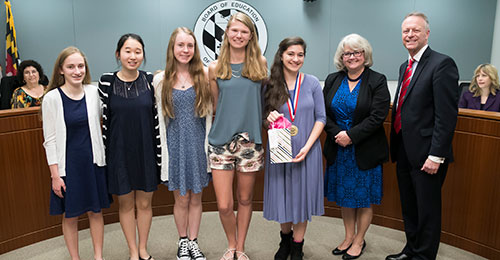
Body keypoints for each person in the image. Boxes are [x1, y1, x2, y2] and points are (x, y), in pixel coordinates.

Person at [387, 12, 459, 260]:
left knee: (427, 210)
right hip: (405, 149)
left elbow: (446, 116)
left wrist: (436, 155)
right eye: (406, 31)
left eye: (415, 30)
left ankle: (424, 256)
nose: (410, 35)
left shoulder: (442, 64)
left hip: (428, 154)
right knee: (410, 206)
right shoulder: (404, 66)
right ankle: (411, 250)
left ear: (427, 33)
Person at [323, 34, 390, 260]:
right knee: (345, 196)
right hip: (339, 149)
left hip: (364, 149)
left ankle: (360, 239)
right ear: (342, 57)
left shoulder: (377, 80)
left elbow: (378, 115)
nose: (352, 57)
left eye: (356, 52)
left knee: (363, 198)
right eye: (347, 53)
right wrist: (337, 134)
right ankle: (348, 235)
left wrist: (351, 135)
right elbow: (323, 114)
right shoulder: (333, 79)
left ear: (365, 55)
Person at [207, 12, 267, 260]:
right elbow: (215, 104)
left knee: (244, 199)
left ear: (251, 35)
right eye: (234, 30)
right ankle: (230, 243)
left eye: (244, 31)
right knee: (223, 205)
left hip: (250, 144)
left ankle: (240, 247)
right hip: (221, 144)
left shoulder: (260, 64)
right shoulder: (214, 67)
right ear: (226, 33)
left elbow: (263, 101)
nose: (238, 35)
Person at [42, 47, 111, 260]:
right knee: (70, 215)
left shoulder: (93, 92)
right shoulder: (52, 98)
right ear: (61, 70)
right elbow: (50, 141)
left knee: (96, 211)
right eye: (71, 67)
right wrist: (55, 175)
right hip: (68, 168)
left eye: (81, 66)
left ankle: (98, 256)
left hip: (93, 163)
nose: (77, 71)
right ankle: (75, 258)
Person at [98, 33, 160, 260]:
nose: (133, 56)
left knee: (144, 204)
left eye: (137, 51)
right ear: (118, 54)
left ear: (143, 55)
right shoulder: (106, 81)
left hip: (146, 151)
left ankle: (143, 249)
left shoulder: (151, 80)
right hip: (119, 152)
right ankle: (133, 251)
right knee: (125, 205)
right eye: (127, 51)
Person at [263, 37, 326, 260]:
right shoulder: (270, 84)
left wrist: (308, 147)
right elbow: (264, 118)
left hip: (307, 150)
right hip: (281, 150)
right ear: (281, 55)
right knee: (284, 196)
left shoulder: (312, 83)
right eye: (291, 54)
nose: (295, 59)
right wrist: (268, 117)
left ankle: (297, 245)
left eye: (300, 55)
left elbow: (321, 118)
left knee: (302, 197)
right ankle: (285, 240)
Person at [153, 27, 212, 260]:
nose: (185, 50)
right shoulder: (160, 80)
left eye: (190, 45)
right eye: (181, 45)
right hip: (174, 146)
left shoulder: (205, 76)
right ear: (172, 48)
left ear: (195, 49)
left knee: (196, 196)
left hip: (198, 145)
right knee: (181, 198)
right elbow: (159, 119)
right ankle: (183, 242)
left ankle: (194, 242)